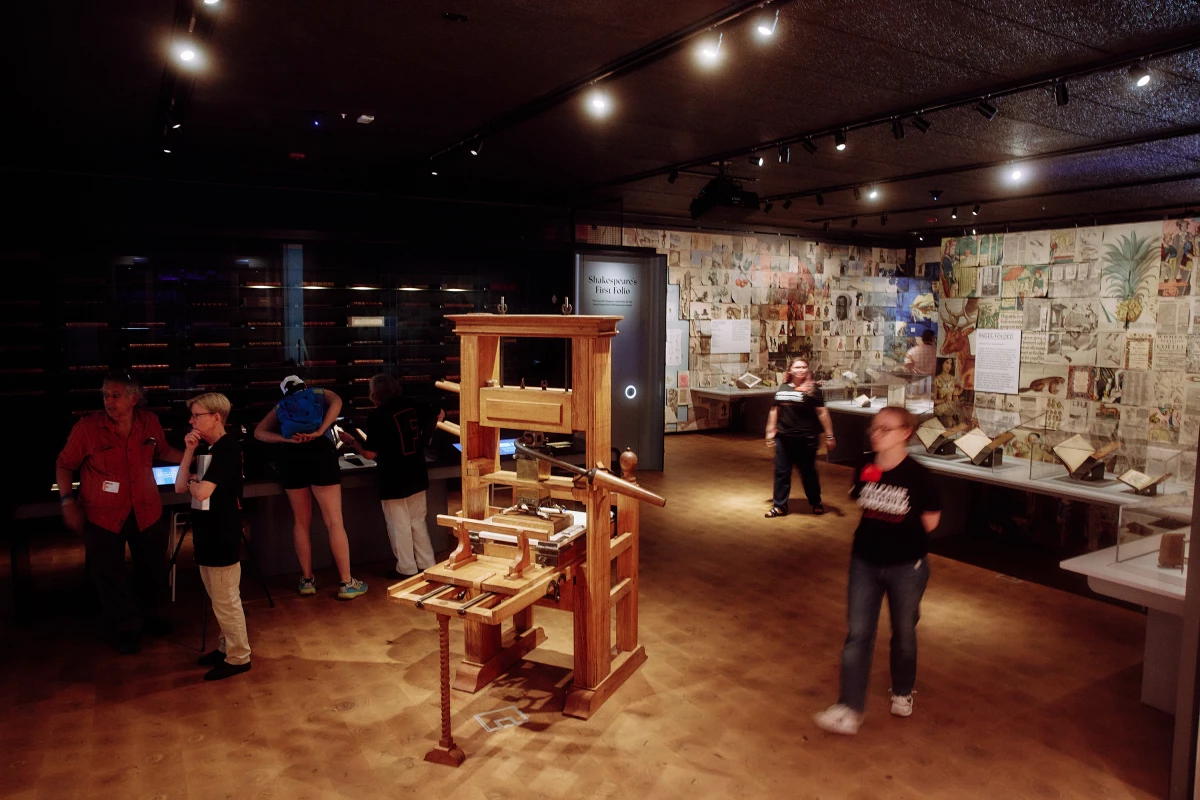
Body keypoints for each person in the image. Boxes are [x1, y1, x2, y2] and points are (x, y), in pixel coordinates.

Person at [814, 407, 941, 735]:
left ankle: (902, 690)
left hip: (906, 567)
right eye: (875, 427)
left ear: (905, 433)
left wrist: (901, 540)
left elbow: (930, 520)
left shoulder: (917, 476)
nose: (876, 433)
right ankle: (849, 706)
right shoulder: (865, 465)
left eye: (886, 428)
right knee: (858, 634)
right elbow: (860, 500)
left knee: (904, 633)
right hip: (865, 562)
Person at [55, 373, 184, 653]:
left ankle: (149, 616)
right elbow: (65, 465)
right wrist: (67, 503)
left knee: (152, 568)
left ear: (133, 399)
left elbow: (163, 450)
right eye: (105, 395)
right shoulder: (87, 428)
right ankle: (126, 627)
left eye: (115, 395)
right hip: (102, 515)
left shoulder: (148, 422)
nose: (108, 401)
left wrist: (196, 458)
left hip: (146, 511)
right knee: (110, 575)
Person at [254, 376, 366, 600]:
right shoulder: (318, 393)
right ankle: (346, 582)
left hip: (290, 457)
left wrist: (286, 440)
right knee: (334, 521)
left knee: (301, 522)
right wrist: (319, 431)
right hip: (320, 452)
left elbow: (259, 433)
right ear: (304, 385)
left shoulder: (280, 406)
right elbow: (337, 403)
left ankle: (307, 580)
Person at [174, 392, 251, 681]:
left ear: (216, 417)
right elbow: (181, 486)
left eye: (197, 415)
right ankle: (225, 647)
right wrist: (188, 452)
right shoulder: (209, 449)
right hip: (207, 532)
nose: (191, 420)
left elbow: (202, 491)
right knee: (217, 596)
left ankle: (239, 656)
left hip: (222, 533)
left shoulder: (228, 447)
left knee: (225, 598)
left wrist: (195, 482)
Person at [340, 374, 442, 579]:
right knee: (417, 521)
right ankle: (427, 563)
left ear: (374, 394)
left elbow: (370, 453)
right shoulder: (411, 405)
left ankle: (406, 568)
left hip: (393, 476)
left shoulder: (378, 416)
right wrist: (425, 436)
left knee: (399, 525)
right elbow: (439, 413)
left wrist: (351, 441)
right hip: (416, 470)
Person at [764, 358, 835, 517]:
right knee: (782, 472)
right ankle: (780, 506)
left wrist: (829, 435)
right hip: (784, 437)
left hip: (806, 438)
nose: (800, 370)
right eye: (797, 367)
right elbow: (775, 410)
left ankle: (816, 501)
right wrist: (770, 431)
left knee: (808, 472)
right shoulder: (783, 387)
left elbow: (822, 413)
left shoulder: (813, 389)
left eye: (803, 367)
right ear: (790, 370)